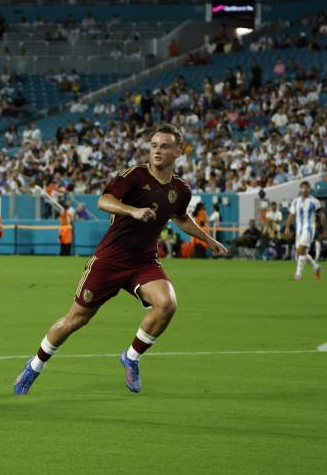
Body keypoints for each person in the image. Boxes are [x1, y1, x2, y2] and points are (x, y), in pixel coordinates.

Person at [12, 124, 228, 396]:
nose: (157, 151)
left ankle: (131, 357)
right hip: (110, 259)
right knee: (76, 319)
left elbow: (181, 218)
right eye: (154, 145)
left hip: (144, 261)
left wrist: (209, 240)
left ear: (178, 151)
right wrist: (132, 211)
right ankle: (34, 366)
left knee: (167, 304)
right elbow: (104, 201)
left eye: (164, 146)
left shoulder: (181, 190)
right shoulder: (135, 176)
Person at [284, 181, 326, 281]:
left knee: (301, 250)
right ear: (300, 189)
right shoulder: (295, 201)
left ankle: (298, 275)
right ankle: (315, 267)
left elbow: (322, 216)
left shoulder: (314, 201)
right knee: (300, 252)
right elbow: (291, 215)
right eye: (303, 187)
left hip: (309, 228)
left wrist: (324, 229)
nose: (305, 189)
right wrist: (287, 227)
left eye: (307, 187)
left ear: (309, 189)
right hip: (299, 230)